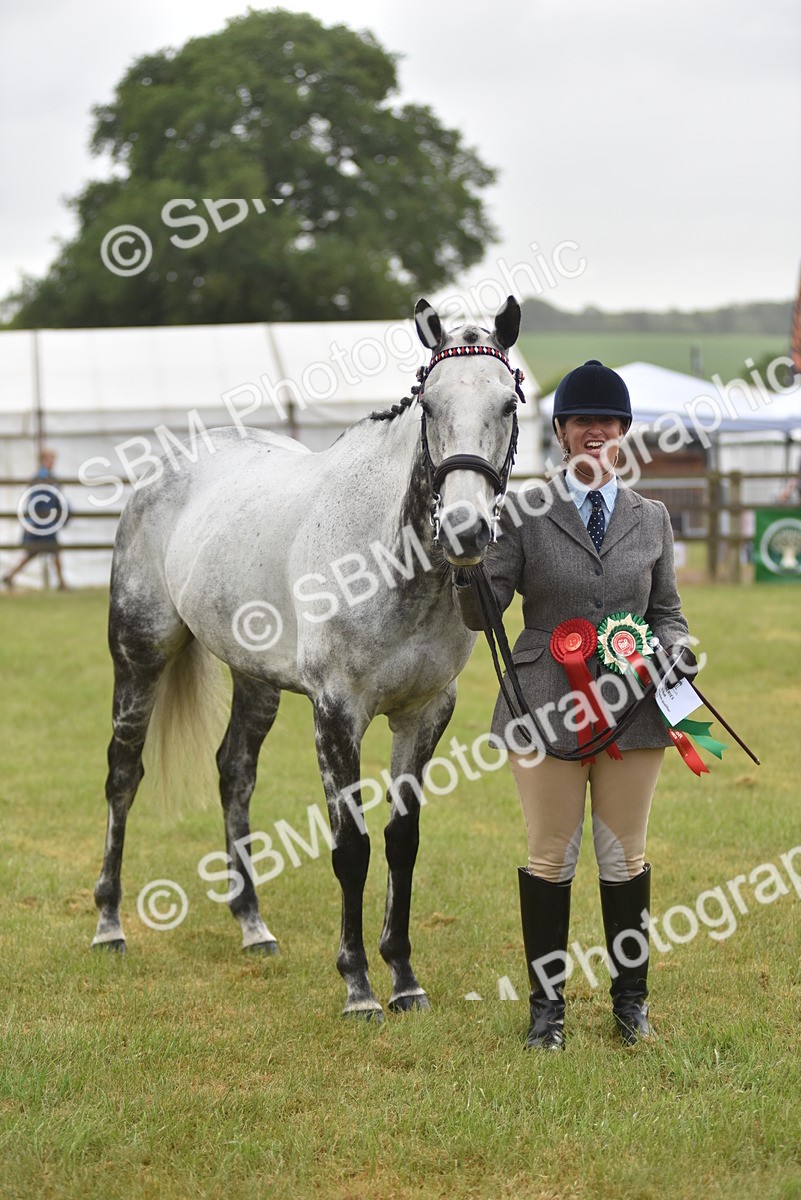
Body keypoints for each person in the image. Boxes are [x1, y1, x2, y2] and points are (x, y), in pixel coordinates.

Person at [454, 360, 696, 1049]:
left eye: (607, 421)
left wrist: (676, 648)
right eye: (581, 421)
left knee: (623, 857)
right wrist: (466, 563)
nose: (595, 431)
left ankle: (630, 1005)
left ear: (622, 433)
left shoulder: (651, 519)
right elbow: (482, 614)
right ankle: (546, 1014)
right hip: (544, 703)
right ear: (560, 433)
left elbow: (666, 612)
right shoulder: (522, 513)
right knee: (550, 856)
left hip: (633, 707)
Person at [2, 449, 69, 590]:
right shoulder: (39, 478)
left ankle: (10, 576)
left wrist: (63, 515)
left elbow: (58, 500)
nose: (52, 462)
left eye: (53, 459)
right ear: (43, 460)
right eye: (50, 459)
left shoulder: (51, 478)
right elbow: (35, 501)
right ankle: (61, 583)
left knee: (37, 553)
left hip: (47, 522)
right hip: (42, 523)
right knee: (49, 551)